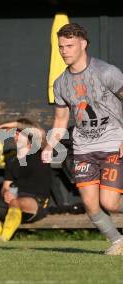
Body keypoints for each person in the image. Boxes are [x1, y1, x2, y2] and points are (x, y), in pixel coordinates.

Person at [42, 23, 123, 255]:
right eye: (61, 46)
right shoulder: (60, 83)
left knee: (110, 203)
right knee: (90, 204)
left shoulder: (106, 72)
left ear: (83, 44)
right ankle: (118, 242)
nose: (64, 51)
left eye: (69, 45)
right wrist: (50, 145)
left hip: (112, 143)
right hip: (84, 147)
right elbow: (60, 121)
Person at [0, 118, 51, 241]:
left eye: (20, 133)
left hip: (36, 204)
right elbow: (6, 186)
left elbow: (39, 132)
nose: (16, 136)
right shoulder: (12, 159)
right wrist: (6, 193)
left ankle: (5, 238)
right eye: (15, 133)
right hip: (13, 203)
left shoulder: (42, 152)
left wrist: (11, 124)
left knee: (16, 202)